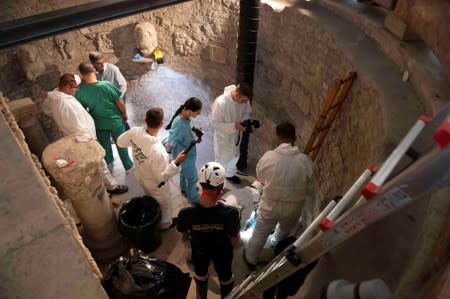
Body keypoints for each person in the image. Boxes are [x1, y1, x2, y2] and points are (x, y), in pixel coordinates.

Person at [243, 122, 317, 270]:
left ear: (278, 137)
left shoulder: (269, 157)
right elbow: (310, 188)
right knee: (284, 230)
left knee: (259, 234)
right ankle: (275, 245)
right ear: (294, 138)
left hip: (271, 205)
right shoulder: (305, 161)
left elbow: (261, 177)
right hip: (294, 207)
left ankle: (251, 259)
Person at [42, 73, 128, 194]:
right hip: (83, 138)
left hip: (83, 135)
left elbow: (47, 109)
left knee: (97, 163)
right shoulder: (63, 103)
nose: (76, 91)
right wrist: (89, 138)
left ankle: (103, 187)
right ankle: (111, 187)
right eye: (74, 89)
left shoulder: (57, 94)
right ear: (66, 87)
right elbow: (73, 126)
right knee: (99, 162)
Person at [177, 162, 240, 299]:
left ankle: (201, 294)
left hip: (199, 253)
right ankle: (227, 295)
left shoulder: (186, 213)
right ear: (221, 188)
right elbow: (235, 241)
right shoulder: (231, 213)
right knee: (226, 278)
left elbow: (184, 235)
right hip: (223, 254)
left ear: (200, 185)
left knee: (200, 276)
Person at [117, 108, 187, 229]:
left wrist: (135, 144)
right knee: (164, 204)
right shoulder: (158, 151)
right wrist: (176, 163)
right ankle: (165, 224)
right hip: (156, 185)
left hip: (141, 176)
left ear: (145, 119)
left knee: (149, 197)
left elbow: (120, 142)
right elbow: (162, 176)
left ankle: (153, 213)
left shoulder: (135, 132)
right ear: (161, 123)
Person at [75, 62, 134, 173]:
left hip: (98, 123)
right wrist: (124, 114)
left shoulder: (80, 92)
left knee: (105, 145)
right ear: (94, 71)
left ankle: (109, 164)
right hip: (114, 121)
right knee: (121, 143)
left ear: (81, 75)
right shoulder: (106, 85)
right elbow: (119, 102)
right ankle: (128, 166)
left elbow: (83, 110)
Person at [211, 83, 253, 184]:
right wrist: (234, 126)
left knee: (235, 155)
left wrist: (245, 122)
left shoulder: (244, 101)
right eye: (243, 101)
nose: (245, 103)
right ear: (236, 95)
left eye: (246, 101)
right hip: (223, 138)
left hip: (236, 135)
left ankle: (230, 174)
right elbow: (215, 124)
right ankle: (218, 180)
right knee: (222, 159)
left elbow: (246, 113)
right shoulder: (221, 103)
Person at [166, 97, 202, 205]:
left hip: (187, 155)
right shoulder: (180, 124)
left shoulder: (185, 117)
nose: (199, 114)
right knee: (193, 179)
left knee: (183, 174)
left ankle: (184, 189)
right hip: (185, 158)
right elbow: (170, 144)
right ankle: (194, 200)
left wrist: (196, 138)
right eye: (198, 112)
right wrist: (171, 159)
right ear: (190, 110)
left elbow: (189, 133)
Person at [89, 51, 130, 129]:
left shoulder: (113, 69)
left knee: (121, 118)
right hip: (105, 102)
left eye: (103, 62)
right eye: (98, 63)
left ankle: (128, 134)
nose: (102, 65)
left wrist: (117, 98)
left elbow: (123, 85)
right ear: (93, 63)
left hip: (118, 98)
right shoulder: (92, 72)